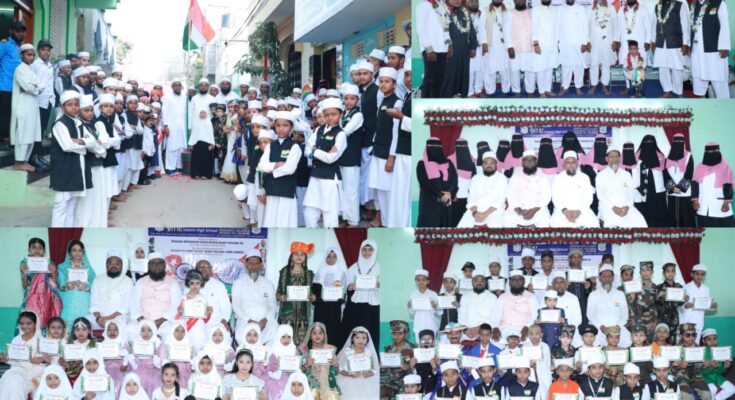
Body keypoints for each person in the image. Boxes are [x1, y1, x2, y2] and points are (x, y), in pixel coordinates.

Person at [304, 98, 346, 228]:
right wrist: (319, 152)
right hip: (315, 176)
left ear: (341, 114)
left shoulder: (341, 134)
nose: (330, 118)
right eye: (327, 115)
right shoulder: (319, 130)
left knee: (330, 216)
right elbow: (306, 150)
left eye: (334, 114)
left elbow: (331, 158)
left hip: (330, 179)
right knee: (309, 213)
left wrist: (314, 151)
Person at [259, 111, 302, 227]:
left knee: (284, 222)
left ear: (291, 127)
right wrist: (277, 164)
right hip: (271, 189)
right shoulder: (270, 146)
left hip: (286, 191)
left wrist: (270, 169)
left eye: (285, 125)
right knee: (270, 221)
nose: (281, 129)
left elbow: (290, 169)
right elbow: (262, 165)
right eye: (278, 125)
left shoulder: (294, 146)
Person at [232, 248, 277, 345]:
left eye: (256, 263)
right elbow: (236, 306)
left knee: (274, 336)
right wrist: (248, 320)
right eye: (250, 263)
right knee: (242, 340)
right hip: (245, 321)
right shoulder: (238, 283)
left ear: (261, 265)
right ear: (246, 265)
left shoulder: (268, 283)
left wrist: (266, 319)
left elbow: (272, 305)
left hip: (265, 323)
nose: (253, 266)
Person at [128, 253, 183, 334]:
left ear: (164, 266)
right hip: (143, 319)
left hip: (164, 321)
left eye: (160, 263)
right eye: (153, 263)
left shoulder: (173, 283)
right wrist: (141, 319)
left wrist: (162, 320)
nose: (157, 265)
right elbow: (134, 303)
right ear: (149, 266)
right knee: (130, 328)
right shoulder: (140, 282)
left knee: (169, 329)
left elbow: (176, 304)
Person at [10, 43, 44, 172]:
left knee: (31, 134)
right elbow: (28, 87)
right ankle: (19, 161)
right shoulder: (20, 69)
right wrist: (35, 88)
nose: (32, 57)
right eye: (29, 55)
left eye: (33, 55)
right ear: (21, 55)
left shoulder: (29, 70)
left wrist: (34, 88)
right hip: (22, 106)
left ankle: (24, 161)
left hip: (32, 106)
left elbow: (41, 86)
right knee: (23, 134)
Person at [343, 240, 381, 351]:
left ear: (374, 251)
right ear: (360, 250)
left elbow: (386, 287)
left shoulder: (379, 267)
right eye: (364, 249)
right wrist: (349, 286)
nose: (367, 252)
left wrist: (380, 285)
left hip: (372, 307)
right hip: (355, 307)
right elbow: (345, 287)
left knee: (370, 334)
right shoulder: (353, 268)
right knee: (353, 333)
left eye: (370, 250)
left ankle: (370, 359)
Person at [597, 146, 647, 227]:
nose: (614, 159)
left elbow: (631, 194)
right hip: (608, 208)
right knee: (612, 224)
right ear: (606, 159)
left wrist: (627, 206)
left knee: (640, 220)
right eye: (611, 157)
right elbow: (600, 195)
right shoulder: (600, 175)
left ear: (620, 159)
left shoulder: (626, 175)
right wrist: (613, 207)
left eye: (616, 156)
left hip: (626, 208)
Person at [690, 0, 731, 98]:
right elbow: (690, 27)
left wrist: (725, 46)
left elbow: (724, 25)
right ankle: (702, 102)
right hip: (697, 51)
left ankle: (724, 104)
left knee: (718, 81)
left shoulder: (719, 3)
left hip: (715, 51)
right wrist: (688, 45)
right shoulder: (694, 5)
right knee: (699, 79)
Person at [277, 242, 315, 345]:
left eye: (302, 254)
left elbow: (311, 294)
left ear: (305, 258)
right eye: (296, 254)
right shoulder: (284, 272)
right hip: (287, 313)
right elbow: (278, 293)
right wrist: (281, 297)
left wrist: (312, 297)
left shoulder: (309, 274)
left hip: (303, 314)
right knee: (285, 340)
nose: (299, 257)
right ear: (291, 256)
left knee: (301, 341)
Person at [0, 312, 44, 400]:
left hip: (34, 374)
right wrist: (5, 359)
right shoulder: (16, 340)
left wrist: (28, 375)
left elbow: (43, 364)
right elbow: (14, 361)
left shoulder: (41, 341)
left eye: (28, 323)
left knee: (15, 381)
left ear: (35, 324)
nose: (25, 326)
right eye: (22, 323)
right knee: (9, 378)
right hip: (16, 371)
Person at [337, 83, 364, 227]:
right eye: (346, 98)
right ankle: (344, 216)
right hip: (342, 156)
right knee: (343, 188)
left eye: (352, 99)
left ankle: (352, 219)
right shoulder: (343, 113)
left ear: (357, 100)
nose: (348, 101)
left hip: (352, 156)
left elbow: (346, 131)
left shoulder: (358, 115)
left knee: (351, 189)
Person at [416, 137, 458, 227]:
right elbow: (425, 184)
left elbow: (454, 180)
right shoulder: (422, 164)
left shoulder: (449, 163)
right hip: (430, 205)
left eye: (437, 146)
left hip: (446, 203)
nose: (435, 149)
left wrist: (450, 193)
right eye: (432, 146)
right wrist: (441, 195)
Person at [587, 265, 632, 347]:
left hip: (617, 329)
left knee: (628, 341)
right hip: (599, 329)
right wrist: (600, 326)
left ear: (613, 278)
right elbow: (590, 315)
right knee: (595, 345)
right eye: (604, 276)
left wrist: (618, 326)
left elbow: (625, 315)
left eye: (609, 276)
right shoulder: (593, 295)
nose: (607, 279)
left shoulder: (620, 294)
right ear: (600, 278)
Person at [551, 151, 599, 227]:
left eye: (573, 162)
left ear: (577, 164)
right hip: (562, 211)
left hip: (582, 210)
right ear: (563, 164)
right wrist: (565, 211)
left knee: (594, 223)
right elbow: (555, 198)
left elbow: (588, 198)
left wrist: (579, 211)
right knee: (554, 224)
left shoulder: (584, 177)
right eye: (568, 162)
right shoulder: (558, 178)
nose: (570, 165)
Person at [653, 0, 689, 98]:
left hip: (675, 41)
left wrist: (685, 43)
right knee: (662, 67)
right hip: (661, 42)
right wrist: (653, 41)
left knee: (677, 67)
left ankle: (678, 91)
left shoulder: (680, 5)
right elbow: (654, 25)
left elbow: (685, 25)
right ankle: (667, 90)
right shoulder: (657, 6)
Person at [88, 250, 133, 330]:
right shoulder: (98, 280)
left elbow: (125, 307)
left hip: (118, 317)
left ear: (121, 265)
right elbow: (94, 303)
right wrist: (99, 318)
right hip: (99, 318)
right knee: (83, 322)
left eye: (117, 263)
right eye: (111, 263)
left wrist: (108, 318)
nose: (114, 266)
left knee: (116, 325)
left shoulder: (128, 281)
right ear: (106, 265)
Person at [504, 151, 552, 227]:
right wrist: (518, 209)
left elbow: (546, 196)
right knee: (507, 218)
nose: (529, 162)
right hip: (518, 209)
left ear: (536, 162)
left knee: (545, 218)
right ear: (522, 162)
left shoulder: (543, 177)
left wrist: (534, 210)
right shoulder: (516, 176)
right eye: (526, 160)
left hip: (537, 210)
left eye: (531, 160)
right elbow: (510, 193)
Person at [614, 0, 652, 96]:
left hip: (639, 44)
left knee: (639, 65)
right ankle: (628, 87)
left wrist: (648, 41)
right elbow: (618, 27)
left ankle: (638, 87)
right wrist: (617, 40)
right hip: (625, 43)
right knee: (626, 65)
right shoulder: (621, 10)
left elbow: (648, 27)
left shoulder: (643, 9)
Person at [692, 142, 733, 227]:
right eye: (708, 152)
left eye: (713, 152)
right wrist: (695, 201)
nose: (710, 154)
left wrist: (726, 202)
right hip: (703, 206)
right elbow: (695, 184)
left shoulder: (725, 167)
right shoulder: (699, 167)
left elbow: (728, 185)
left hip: (720, 207)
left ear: (718, 152)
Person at [491, 270, 538, 344]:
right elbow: (496, 314)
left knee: (530, 341)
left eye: (519, 279)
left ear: (523, 281)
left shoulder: (531, 296)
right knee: (494, 340)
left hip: (523, 330)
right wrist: (495, 327)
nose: (517, 281)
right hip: (505, 329)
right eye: (514, 279)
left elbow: (535, 314)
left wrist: (527, 326)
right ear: (510, 282)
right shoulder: (502, 297)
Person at [57, 239, 96, 327]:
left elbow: (94, 286)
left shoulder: (89, 269)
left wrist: (85, 287)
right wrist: (68, 286)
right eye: (74, 250)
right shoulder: (62, 268)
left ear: (83, 253)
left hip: (85, 302)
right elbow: (60, 286)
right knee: (68, 326)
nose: (77, 253)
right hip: (69, 302)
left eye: (80, 250)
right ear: (69, 252)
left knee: (83, 326)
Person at [312, 247, 347, 344]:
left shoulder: (341, 274)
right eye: (329, 256)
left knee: (333, 332)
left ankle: (333, 352)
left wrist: (341, 298)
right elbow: (314, 293)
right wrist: (315, 299)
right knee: (319, 331)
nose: (331, 259)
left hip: (334, 309)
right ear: (325, 257)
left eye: (334, 257)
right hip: (320, 308)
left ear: (338, 258)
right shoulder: (318, 273)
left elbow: (344, 292)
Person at [417, 0, 451, 98]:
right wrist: (429, 49)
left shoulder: (443, 6)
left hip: (443, 48)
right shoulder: (423, 5)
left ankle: (437, 103)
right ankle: (426, 105)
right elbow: (421, 29)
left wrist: (449, 45)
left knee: (440, 79)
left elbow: (446, 28)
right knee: (430, 79)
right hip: (431, 49)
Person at [0, 21, 25, 150]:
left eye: (22, 31)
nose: (21, 34)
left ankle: (7, 140)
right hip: (5, 87)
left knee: (12, 115)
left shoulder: (20, 48)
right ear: (11, 31)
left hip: (17, 89)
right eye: (18, 31)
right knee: (4, 115)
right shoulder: (5, 44)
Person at [337, 326, 380, 399]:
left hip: (366, 383)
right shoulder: (346, 352)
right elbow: (339, 369)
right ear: (352, 339)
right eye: (357, 337)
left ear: (367, 340)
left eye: (364, 338)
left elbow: (374, 370)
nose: (361, 340)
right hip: (350, 384)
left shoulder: (369, 352)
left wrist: (369, 374)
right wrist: (350, 374)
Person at [557, 0, 590, 96]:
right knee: (566, 66)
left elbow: (585, 26)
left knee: (578, 66)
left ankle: (578, 87)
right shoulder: (560, 9)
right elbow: (557, 26)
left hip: (578, 43)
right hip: (565, 43)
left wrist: (585, 42)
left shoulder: (581, 9)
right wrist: (558, 41)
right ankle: (565, 87)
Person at [635, 135, 669, 227]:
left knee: (659, 212)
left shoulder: (661, 158)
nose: (649, 145)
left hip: (658, 190)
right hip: (642, 190)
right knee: (645, 213)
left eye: (651, 143)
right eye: (646, 143)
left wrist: (671, 188)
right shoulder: (636, 158)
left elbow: (666, 174)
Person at [299, 322, 340, 399]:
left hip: (328, 384)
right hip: (311, 383)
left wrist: (335, 365)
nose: (317, 336)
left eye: (320, 333)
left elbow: (336, 372)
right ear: (310, 335)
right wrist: (307, 365)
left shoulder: (329, 350)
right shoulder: (305, 351)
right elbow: (300, 371)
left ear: (324, 335)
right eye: (314, 333)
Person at [664, 133, 695, 227]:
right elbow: (665, 174)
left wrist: (680, 188)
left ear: (683, 142)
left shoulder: (689, 156)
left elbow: (689, 174)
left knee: (686, 218)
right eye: (676, 141)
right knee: (673, 217)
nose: (678, 143)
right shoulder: (668, 157)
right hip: (672, 192)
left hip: (684, 192)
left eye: (680, 141)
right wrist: (672, 188)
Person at [505, 0, 535, 96]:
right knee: (514, 70)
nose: (520, 1)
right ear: (514, 1)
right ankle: (516, 91)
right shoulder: (509, 13)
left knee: (530, 70)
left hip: (529, 46)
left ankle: (530, 91)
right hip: (515, 48)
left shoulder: (531, 12)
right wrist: (509, 46)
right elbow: (506, 31)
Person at [380, 320, 415, 400]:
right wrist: (382, 366)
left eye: (400, 333)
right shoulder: (388, 349)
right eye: (394, 333)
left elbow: (419, 368)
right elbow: (385, 370)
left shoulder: (413, 348)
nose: (397, 336)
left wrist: (410, 367)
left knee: (405, 397)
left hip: (408, 382)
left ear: (406, 334)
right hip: (391, 381)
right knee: (381, 394)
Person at [188, 78, 216, 179]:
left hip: (208, 125)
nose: (203, 87)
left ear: (208, 87)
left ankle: (206, 173)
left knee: (206, 153)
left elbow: (214, 112)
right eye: (201, 85)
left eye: (205, 85)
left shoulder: (212, 98)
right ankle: (196, 173)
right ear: (199, 87)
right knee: (196, 153)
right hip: (196, 126)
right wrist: (190, 127)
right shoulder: (194, 98)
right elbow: (191, 113)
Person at [681, 264, 717, 340]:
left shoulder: (706, 289)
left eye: (702, 274)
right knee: (686, 344)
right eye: (697, 274)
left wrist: (712, 306)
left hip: (699, 323)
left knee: (696, 345)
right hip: (687, 321)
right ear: (692, 274)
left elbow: (706, 306)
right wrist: (685, 306)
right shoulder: (685, 287)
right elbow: (680, 306)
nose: (700, 276)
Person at [588, 0, 617, 95]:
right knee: (594, 63)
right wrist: (588, 41)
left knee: (606, 63)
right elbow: (587, 26)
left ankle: (605, 85)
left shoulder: (611, 8)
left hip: (607, 42)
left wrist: (615, 40)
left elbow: (615, 25)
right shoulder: (590, 9)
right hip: (594, 42)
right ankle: (594, 85)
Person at [483, 0, 511, 96]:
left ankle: (505, 90)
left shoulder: (507, 11)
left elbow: (510, 28)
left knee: (505, 69)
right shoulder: (485, 10)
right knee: (490, 68)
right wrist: (484, 42)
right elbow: (482, 28)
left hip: (504, 46)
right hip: (490, 44)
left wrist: (510, 45)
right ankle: (490, 91)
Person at [194, 259, 232, 331]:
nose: (203, 269)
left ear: (211, 269)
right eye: (200, 267)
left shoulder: (219, 285)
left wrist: (224, 319)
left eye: (206, 266)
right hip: (195, 324)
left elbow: (226, 306)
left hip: (215, 324)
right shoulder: (190, 285)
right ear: (196, 270)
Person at [459, 272, 498, 338]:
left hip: (486, 331)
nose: (479, 283)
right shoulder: (465, 297)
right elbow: (461, 316)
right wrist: (465, 330)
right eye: (476, 280)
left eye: (482, 281)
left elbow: (495, 317)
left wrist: (479, 329)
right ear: (472, 282)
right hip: (468, 332)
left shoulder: (493, 297)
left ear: (485, 282)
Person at [162, 77, 187, 175]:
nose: (177, 86)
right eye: (175, 85)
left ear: (181, 86)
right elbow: (164, 111)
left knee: (181, 146)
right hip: (171, 126)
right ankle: (170, 168)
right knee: (171, 146)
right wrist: (165, 125)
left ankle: (179, 167)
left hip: (182, 126)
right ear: (172, 86)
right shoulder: (167, 97)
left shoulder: (185, 97)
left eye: (179, 85)